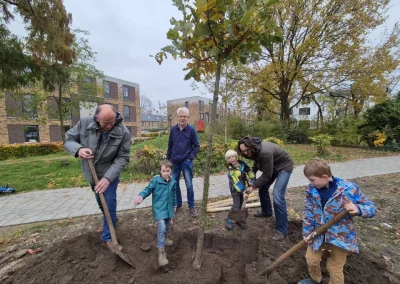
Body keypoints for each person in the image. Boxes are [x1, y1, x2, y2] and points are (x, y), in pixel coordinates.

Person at [64, 104, 131, 252]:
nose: (108, 126)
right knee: (101, 202)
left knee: (109, 201)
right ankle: (111, 220)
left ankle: (108, 237)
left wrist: (107, 178)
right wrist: (79, 149)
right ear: (96, 118)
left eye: (111, 122)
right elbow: (68, 139)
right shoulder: (85, 123)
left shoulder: (123, 132)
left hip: (109, 173)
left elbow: (123, 158)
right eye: (105, 122)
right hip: (91, 172)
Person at [298, 158, 376, 284]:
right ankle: (315, 279)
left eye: (312, 180)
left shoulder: (348, 189)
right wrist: (307, 233)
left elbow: (371, 208)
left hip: (341, 236)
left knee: (334, 267)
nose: (310, 183)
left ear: (324, 177)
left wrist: (358, 208)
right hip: (318, 233)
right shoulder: (311, 191)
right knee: (311, 259)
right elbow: (308, 213)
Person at [237, 136, 294, 241]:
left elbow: (267, 175)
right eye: (242, 151)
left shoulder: (265, 152)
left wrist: (253, 186)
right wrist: (252, 178)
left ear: (251, 146)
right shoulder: (255, 150)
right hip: (272, 167)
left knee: (277, 196)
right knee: (262, 188)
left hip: (284, 167)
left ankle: (282, 230)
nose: (244, 153)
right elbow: (256, 165)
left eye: (245, 150)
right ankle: (267, 211)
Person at [133, 160, 177, 267]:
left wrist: (175, 205)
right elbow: (147, 189)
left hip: (168, 208)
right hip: (158, 208)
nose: (165, 173)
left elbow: (174, 194)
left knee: (167, 225)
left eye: (168, 170)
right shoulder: (156, 181)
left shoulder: (173, 181)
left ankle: (165, 238)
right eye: (163, 171)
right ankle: (161, 252)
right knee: (161, 227)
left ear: (171, 171)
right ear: (160, 171)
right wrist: (141, 196)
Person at [167, 107, 200, 217]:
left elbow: (197, 146)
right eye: (180, 116)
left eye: (184, 116)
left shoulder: (191, 130)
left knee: (189, 185)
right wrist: (168, 162)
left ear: (188, 118)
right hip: (175, 162)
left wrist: (190, 158)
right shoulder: (173, 130)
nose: (182, 118)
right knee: (174, 185)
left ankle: (191, 206)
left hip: (186, 162)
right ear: (177, 117)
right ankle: (178, 204)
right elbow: (170, 146)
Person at [224, 150, 255, 230]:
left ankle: (239, 220)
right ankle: (229, 219)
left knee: (242, 205)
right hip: (235, 190)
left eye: (233, 157)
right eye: (229, 158)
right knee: (236, 205)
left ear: (236, 157)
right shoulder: (231, 171)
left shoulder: (242, 164)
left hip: (244, 188)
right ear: (228, 160)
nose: (231, 159)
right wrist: (244, 191)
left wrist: (253, 179)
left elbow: (249, 171)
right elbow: (236, 183)